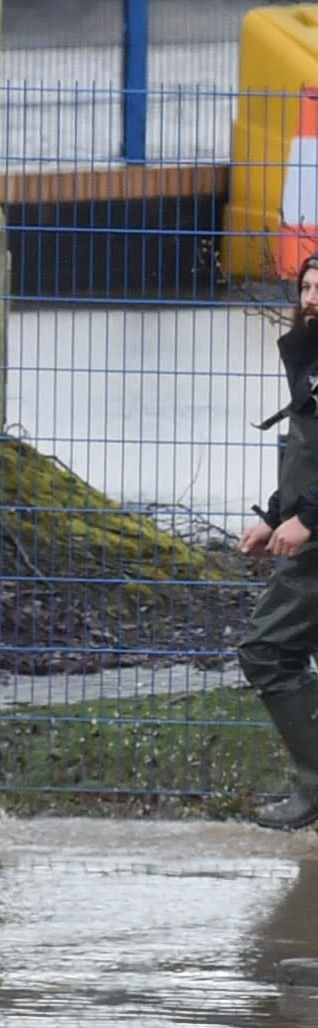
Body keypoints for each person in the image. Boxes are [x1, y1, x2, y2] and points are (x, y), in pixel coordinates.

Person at [244, 254, 318, 827]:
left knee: (268, 651)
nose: (312, 297)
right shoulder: (310, 357)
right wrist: (274, 515)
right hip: (303, 533)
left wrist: (308, 521)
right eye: (306, 286)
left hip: (314, 543)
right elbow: (305, 456)